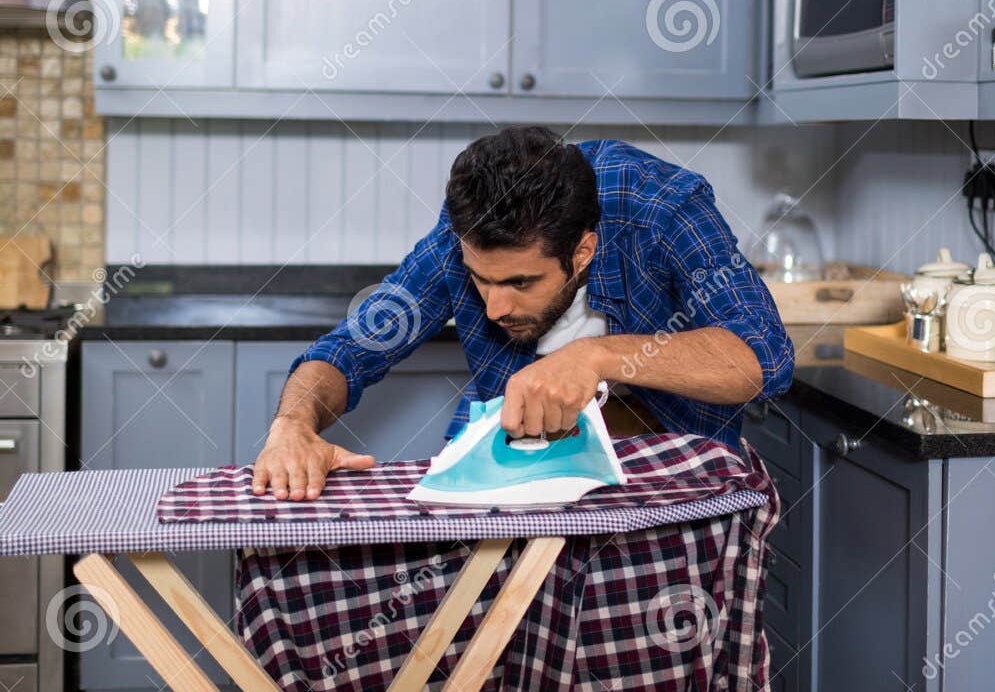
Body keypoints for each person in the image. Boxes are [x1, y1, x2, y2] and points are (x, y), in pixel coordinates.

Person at [252, 127, 793, 498]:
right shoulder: (461, 238)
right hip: (512, 484)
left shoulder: (662, 209)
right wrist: (291, 425)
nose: (495, 306)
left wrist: (595, 357)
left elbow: (764, 357)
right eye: (479, 280)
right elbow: (350, 349)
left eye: (520, 282)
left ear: (582, 251)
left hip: (675, 477)